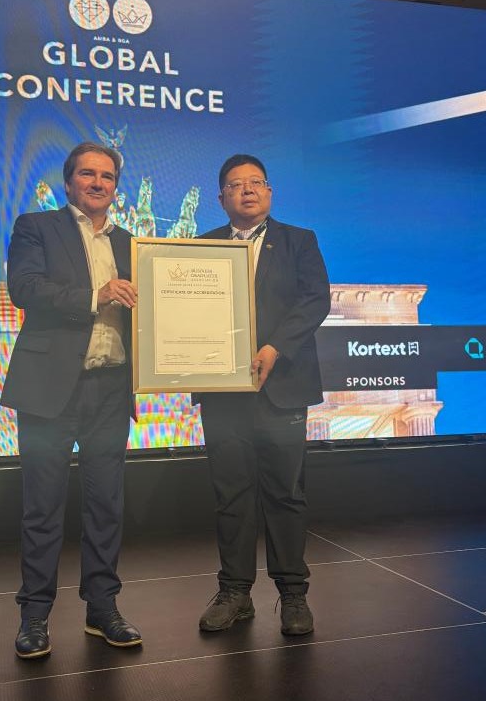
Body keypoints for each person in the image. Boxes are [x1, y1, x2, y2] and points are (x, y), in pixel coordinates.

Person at [0, 141, 141, 658]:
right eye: (88, 174)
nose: (98, 183)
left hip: (111, 388)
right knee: (43, 507)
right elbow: (24, 288)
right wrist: (94, 296)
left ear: (116, 187)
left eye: (107, 176)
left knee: (106, 505)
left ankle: (102, 609)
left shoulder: (131, 243)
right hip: (49, 389)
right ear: (69, 182)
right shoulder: (36, 227)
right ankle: (34, 616)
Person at [196, 154, 330, 636]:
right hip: (222, 392)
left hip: (282, 387)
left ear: (269, 192)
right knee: (231, 494)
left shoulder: (299, 241)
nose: (247, 190)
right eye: (236, 184)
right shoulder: (199, 247)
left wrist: (275, 347)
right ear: (222, 198)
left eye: (256, 182)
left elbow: (315, 300)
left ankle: (293, 594)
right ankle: (235, 592)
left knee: (284, 494)